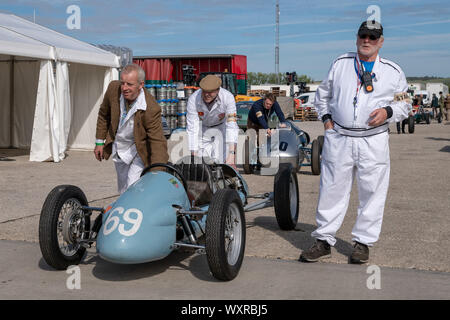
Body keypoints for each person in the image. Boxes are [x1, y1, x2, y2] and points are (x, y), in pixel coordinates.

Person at [299, 21, 412, 264]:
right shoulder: (340, 64)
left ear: (381, 41)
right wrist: (327, 120)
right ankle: (323, 240)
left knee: (372, 192)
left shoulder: (393, 71)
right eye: (364, 35)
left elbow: (405, 103)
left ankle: (363, 243)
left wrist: (388, 112)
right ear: (357, 38)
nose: (367, 40)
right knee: (331, 189)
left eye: (373, 36)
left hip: (373, 140)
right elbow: (323, 96)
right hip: (339, 137)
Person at [94, 64, 169, 194]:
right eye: (123, 83)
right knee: (123, 189)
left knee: (132, 186)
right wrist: (99, 142)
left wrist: (158, 173)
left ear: (141, 85)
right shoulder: (113, 89)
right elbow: (103, 114)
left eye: (129, 84)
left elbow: (157, 141)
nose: (124, 88)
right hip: (119, 146)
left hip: (138, 149)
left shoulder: (151, 108)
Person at [186, 75, 238, 167]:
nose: (207, 94)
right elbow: (192, 127)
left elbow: (231, 125)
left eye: (210, 92)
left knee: (222, 163)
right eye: (204, 91)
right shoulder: (193, 99)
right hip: (203, 130)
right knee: (202, 166)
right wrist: (194, 153)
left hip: (221, 129)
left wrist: (231, 154)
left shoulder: (228, 97)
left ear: (218, 90)